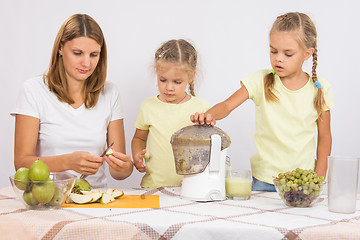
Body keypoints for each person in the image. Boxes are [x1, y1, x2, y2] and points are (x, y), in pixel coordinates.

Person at [191, 12, 334, 192]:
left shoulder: (320, 89)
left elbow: (325, 137)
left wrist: (318, 179)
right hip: (264, 181)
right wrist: (208, 115)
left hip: (302, 183)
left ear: (307, 54)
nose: (278, 58)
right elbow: (227, 105)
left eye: (288, 54)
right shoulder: (260, 80)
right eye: (273, 51)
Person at [11, 14, 133, 188]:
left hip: (94, 200)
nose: (86, 63)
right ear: (60, 48)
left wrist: (126, 167)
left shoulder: (110, 93)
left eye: (94, 55)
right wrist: (67, 162)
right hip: (47, 199)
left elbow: (118, 173)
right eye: (77, 53)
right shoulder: (33, 90)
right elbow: (21, 163)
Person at [131, 39, 210, 188]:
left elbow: (208, 149)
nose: (169, 88)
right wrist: (137, 156)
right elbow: (138, 138)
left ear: (191, 76)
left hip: (189, 187)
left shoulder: (201, 108)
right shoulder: (148, 106)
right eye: (163, 80)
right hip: (153, 186)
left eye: (177, 82)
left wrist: (199, 177)